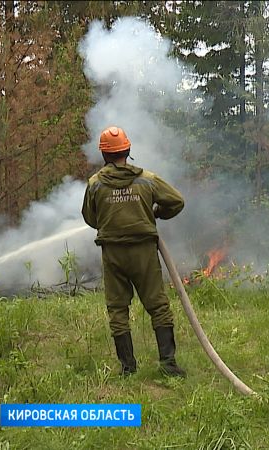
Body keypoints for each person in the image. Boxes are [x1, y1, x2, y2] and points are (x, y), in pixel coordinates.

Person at [81, 125, 186, 377]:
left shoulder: (95, 184)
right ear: (127, 150)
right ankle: (168, 365)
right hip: (144, 252)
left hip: (113, 254)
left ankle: (128, 368)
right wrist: (157, 212)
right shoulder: (147, 179)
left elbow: (89, 217)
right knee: (158, 306)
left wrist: (111, 224)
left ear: (104, 155)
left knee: (118, 310)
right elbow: (177, 201)